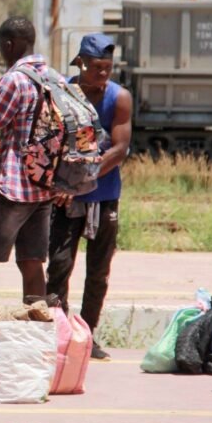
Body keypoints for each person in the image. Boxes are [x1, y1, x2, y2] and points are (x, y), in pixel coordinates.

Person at [46, 34, 133, 360]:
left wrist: (82, 180)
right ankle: (57, 333)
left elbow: (119, 149)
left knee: (98, 270)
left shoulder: (119, 97)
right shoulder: (62, 92)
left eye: (108, 68)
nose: (103, 74)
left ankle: (87, 335)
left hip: (103, 195)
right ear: (80, 63)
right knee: (59, 265)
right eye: (97, 67)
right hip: (65, 198)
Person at [0, 16, 63, 310]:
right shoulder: (55, 78)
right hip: (43, 187)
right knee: (32, 263)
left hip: (12, 188)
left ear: (9, 45)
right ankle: (35, 327)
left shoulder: (15, 79)